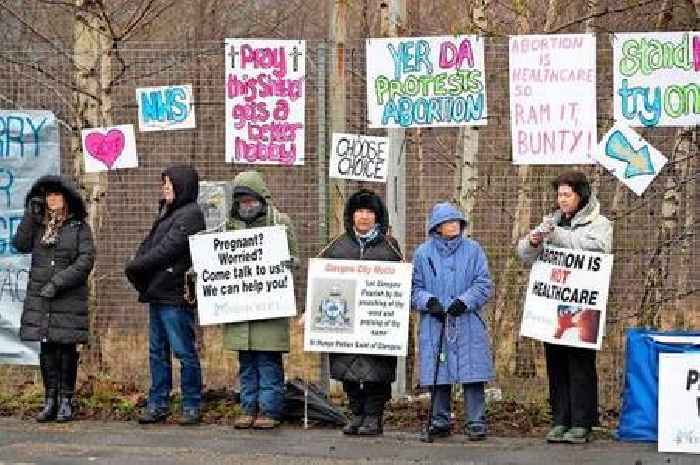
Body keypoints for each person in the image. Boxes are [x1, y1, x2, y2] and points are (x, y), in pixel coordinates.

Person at [517, 171, 612, 444]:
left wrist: (556, 236)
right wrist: (534, 240)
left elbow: (598, 251)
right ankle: (561, 419)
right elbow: (524, 254)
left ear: (581, 195)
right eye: (559, 195)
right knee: (556, 362)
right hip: (553, 303)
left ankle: (582, 423)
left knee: (580, 363)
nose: (562, 200)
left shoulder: (600, 223)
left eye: (567, 195)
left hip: (583, 305)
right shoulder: (552, 222)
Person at [125, 165, 206, 426]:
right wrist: (138, 264)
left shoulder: (190, 215)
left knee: (183, 351)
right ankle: (158, 402)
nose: (165, 188)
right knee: (157, 352)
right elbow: (151, 245)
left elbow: (167, 249)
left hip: (175, 294)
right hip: (158, 292)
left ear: (182, 186)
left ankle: (191, 403)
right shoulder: (168, 213)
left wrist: (137, 265)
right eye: (164, 184)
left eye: (169, 184)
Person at [318, 189, 403, 436]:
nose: (364, 217)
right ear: (351, 215)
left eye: (369, 212)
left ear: (378, 217)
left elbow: (401, 280)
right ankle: (356, 414)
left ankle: (374, 416)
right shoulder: (337, 246)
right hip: (344, 319)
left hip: (377, 322)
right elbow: (321, 282)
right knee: (348, 368)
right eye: (360, 211)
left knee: (378, 370)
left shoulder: (390, 247)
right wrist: (310, 311)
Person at [13, 175, 96, 422]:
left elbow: (85, 261)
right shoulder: (38, 226)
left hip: (68, 296)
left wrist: (58, 282)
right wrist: (30, 214)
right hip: (42, 297)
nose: (53, 200)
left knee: (66, 347)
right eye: (48, 196)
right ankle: (50, 400)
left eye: (57, 195)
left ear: (66, 198)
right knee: (47, 346)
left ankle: (66, 400)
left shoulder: (79, 227)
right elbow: (20, 244)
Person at [411, 202, 493, 440]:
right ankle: (439, 420)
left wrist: (465, 301)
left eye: (456, 221)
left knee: (472, 372)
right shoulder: (423, 254)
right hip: (436, 322)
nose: (453, 225)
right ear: (437, 227)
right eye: (448, 222)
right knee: (439, 371)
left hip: (467, 320)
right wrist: (429, 302)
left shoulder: (474, 250)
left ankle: (476, 421)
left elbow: (483, 283)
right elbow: (414, 288)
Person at [224, 171, 299, 430]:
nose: (247, 206)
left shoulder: (280, 223)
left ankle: (269, 409)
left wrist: (287, 264)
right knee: (246, 364)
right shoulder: (228, 227)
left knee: (268, 363)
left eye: (251, 200)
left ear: (261, 198)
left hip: (270, 310)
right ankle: (247, 407)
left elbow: (295, 259)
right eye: (241, 201)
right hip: (240, 311)